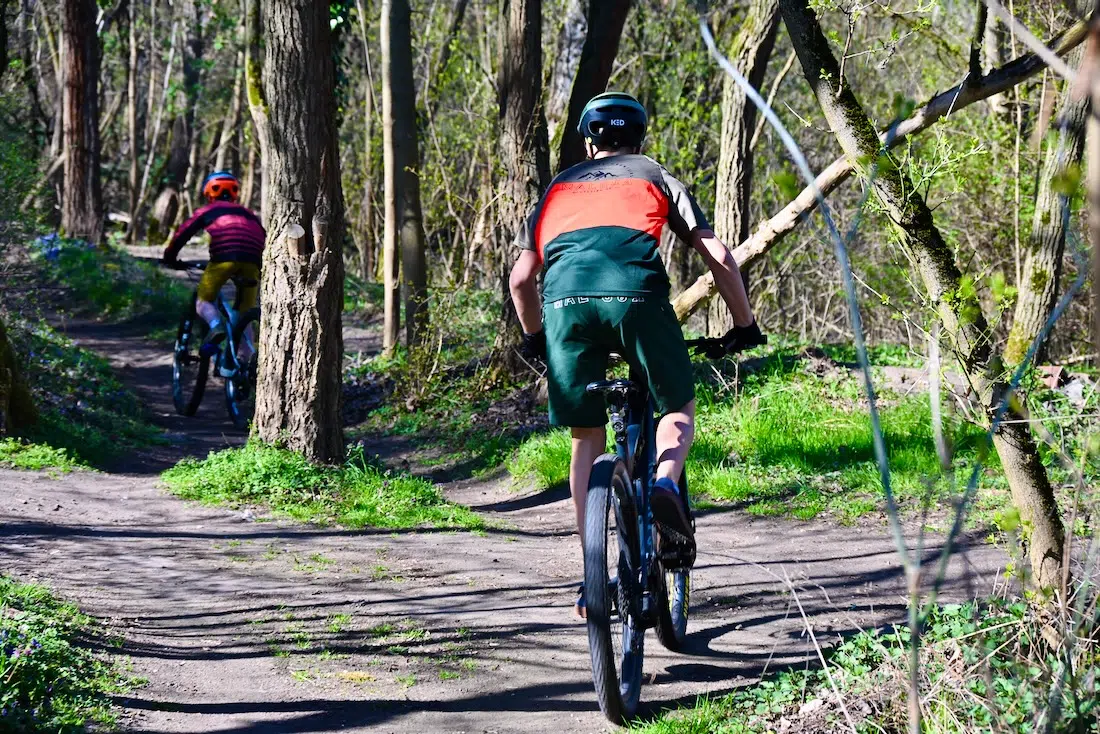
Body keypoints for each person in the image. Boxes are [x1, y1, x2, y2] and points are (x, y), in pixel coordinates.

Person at [507, 92, 766, 618]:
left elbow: (520, 280)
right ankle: (667, 482)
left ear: (589, 140)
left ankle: (591, 576)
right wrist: (744, 325)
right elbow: (717, 255)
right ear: (638, 137)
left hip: (565, 305)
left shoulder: (556, 189)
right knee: (676, 405)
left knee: (587, 436)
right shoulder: (655, 174)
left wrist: (538, 338)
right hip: (637, 299)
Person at [162, 171, 266, 361]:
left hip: (224, 258)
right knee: (245, 312)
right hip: (254, 261)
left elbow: (183, 233)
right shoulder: (248, 213)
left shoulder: (207, 211)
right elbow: (262, 236)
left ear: (208, 193)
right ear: (234, 193)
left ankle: (216, 326)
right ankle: (245, 362)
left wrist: (169, 256)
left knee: (203, 302)